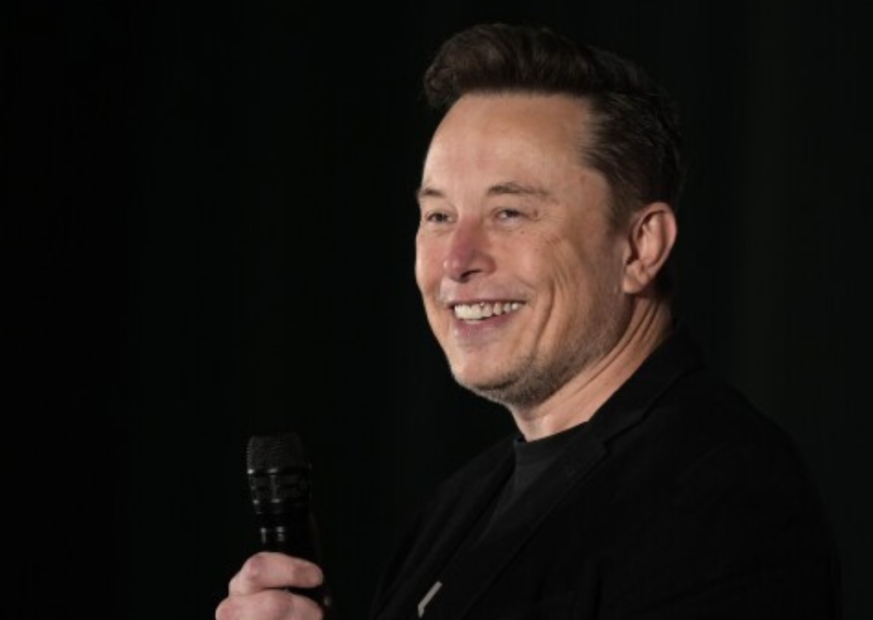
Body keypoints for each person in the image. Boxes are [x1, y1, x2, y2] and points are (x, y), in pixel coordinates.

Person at [215, 22, 841, 620]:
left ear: (640, 247)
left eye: (510, 213)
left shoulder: (721, 494)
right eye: (438, 217)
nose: (456, 261)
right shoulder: (456, 509)